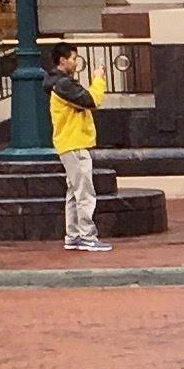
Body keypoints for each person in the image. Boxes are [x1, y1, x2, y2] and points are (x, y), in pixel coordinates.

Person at [45, 50, 105, 251]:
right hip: (74, 143)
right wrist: (98, 80)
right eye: (73, 58)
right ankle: (88, 236)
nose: (76, 62)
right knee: (84, 192)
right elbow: (92, 100)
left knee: (73, 192)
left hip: (67, 143)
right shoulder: (64, 85)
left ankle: (73, 235)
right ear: (62, 60)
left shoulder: (57, 83)